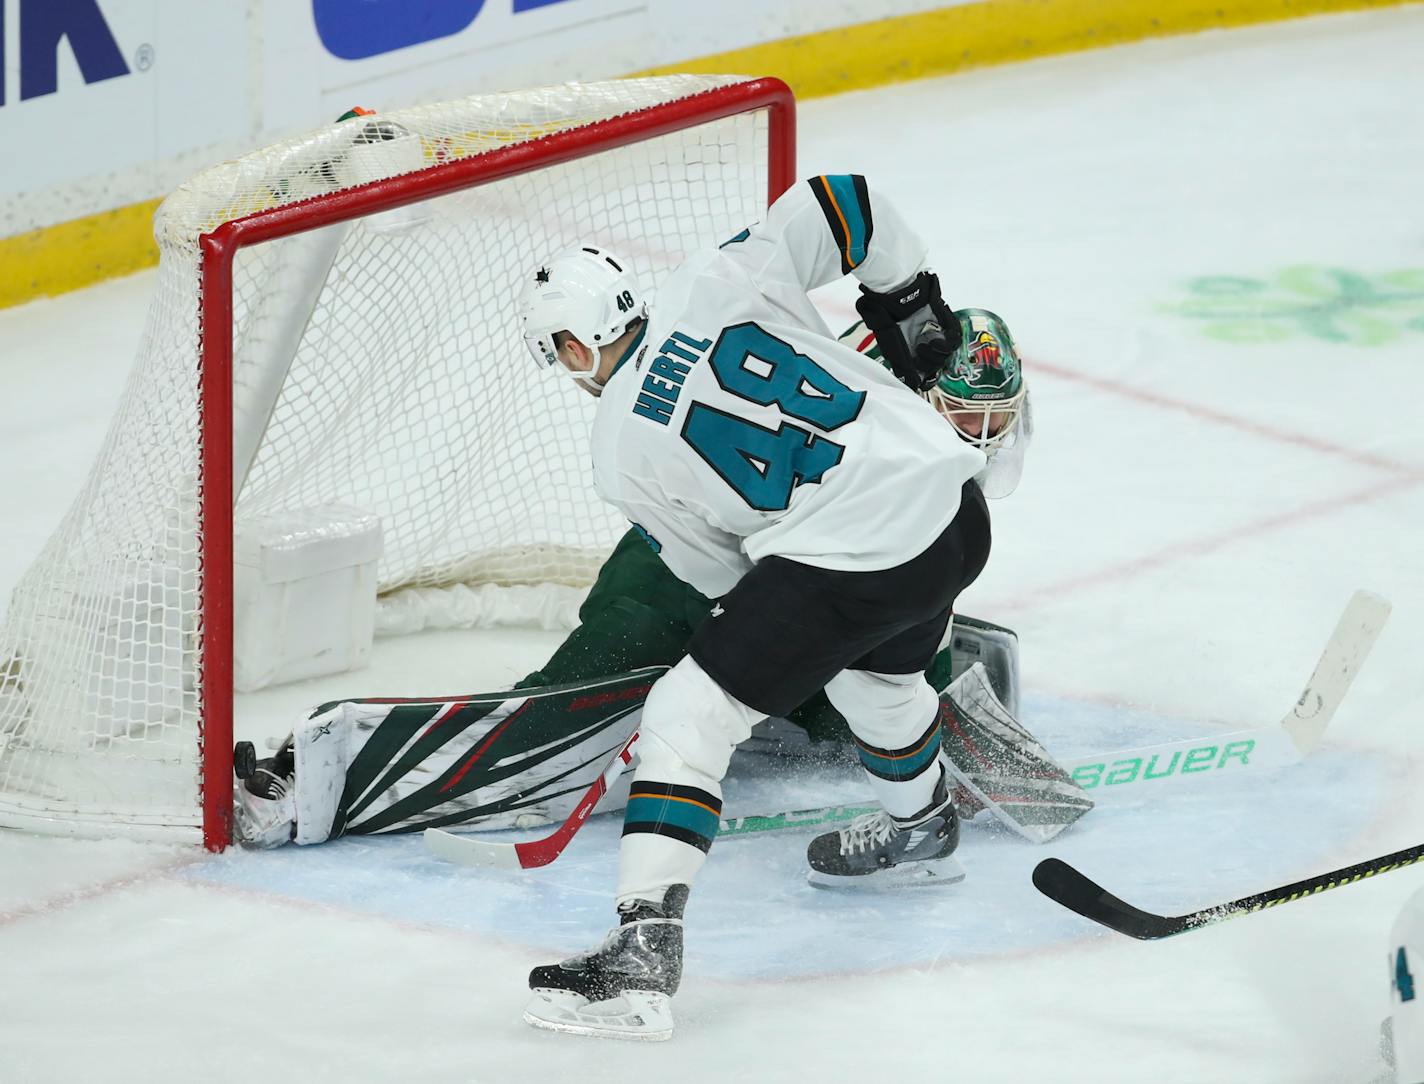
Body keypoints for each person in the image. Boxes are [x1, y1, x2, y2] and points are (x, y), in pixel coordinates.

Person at [511, 173, 1032, 1039]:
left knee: (686, 713)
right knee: (880, 684)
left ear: (571, 347)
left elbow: (725, 575)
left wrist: (761, 655)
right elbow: (846, 200)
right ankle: (924, 822)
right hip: (952, 510)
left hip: (856, 556)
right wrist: (908, 299)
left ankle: (640, 956)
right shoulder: (709, 279)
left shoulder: (618, 452)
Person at [232, 316, 1067, 850]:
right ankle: (313, 781)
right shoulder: (891, 422)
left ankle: (805, 706)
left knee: (885, 680)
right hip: (677, 571)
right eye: (967, 421)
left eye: (996, 419)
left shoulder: (901, 400)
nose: (985, 439)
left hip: (794, 575)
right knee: (553, 736)